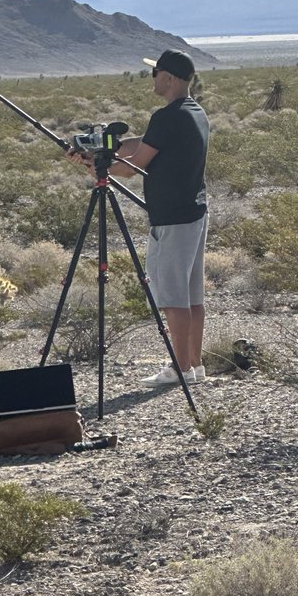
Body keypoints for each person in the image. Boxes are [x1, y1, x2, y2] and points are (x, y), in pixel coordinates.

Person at [68, 48, 209, 385]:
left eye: (155, 73)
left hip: (172, 219)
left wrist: (94, 166)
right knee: (192, 296)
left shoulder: (167, 117)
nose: (153, 78)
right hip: (194, 212)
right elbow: (145, 144)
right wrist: (107, 146)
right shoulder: (194, 112)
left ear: (169, 78)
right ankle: (194, 364)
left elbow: (132, 169)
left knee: (174, 298)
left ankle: (180, 370)